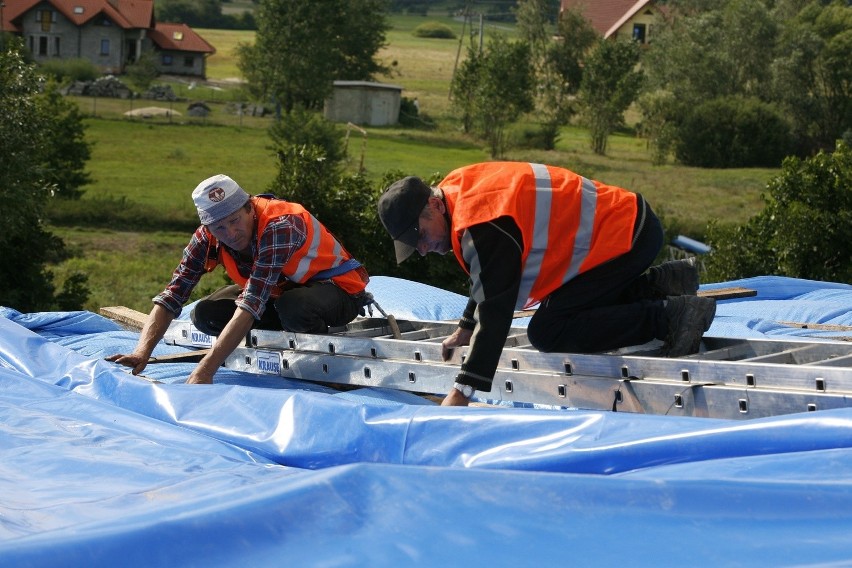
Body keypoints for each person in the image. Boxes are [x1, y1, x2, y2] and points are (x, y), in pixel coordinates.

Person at [377, 162, 715, 406]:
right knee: (567, 305)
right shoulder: (460, 194)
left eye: (419, 237)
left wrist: (462, 391)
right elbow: (489, 278)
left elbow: (496, 308)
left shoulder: (482, 223)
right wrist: (466, 328)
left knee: (551, 329)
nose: (422, 250)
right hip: (627, 229)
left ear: (434, 207)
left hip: (623, 240)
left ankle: (672, 317)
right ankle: (662, 284)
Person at [107, 174, 370, 384]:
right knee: (206, 314)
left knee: (294, 306)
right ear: (208, 228)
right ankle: (278, 338)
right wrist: (142, 351)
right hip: (279, 296)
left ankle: (316, 362)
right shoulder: (206, 238)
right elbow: (173, 294)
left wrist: (205, 371)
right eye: (220, 228)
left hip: (338, 293)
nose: (231, 233)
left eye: (235, 221)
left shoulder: (280, 224)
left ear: (250, 209)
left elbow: (251, 303)